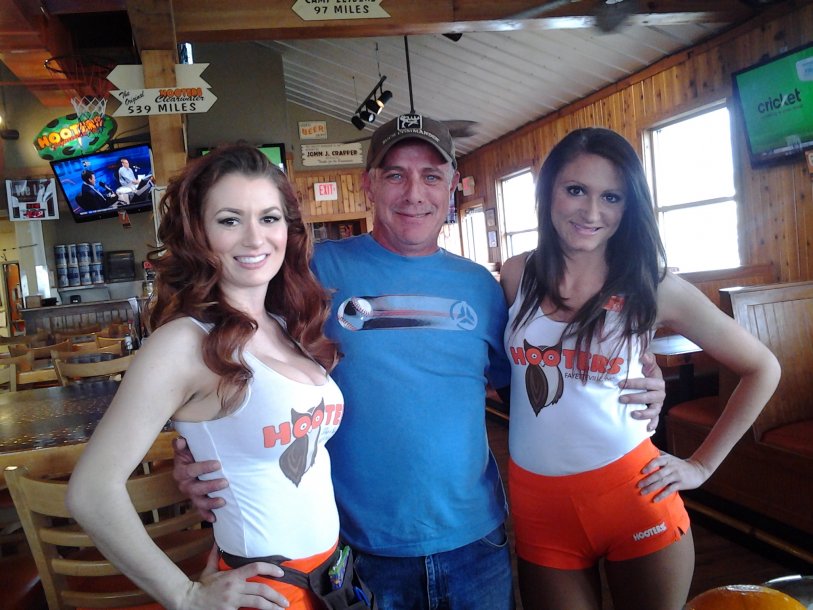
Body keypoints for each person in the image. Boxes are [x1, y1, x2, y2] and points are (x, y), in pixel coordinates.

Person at [174, 115, 668, 610]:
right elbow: (237, 351)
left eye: (431, 176)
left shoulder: (483, 287)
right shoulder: (309, 271)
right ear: (369, 184)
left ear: (452, 187)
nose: (414, 193)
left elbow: (535, 385)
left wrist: (633, 378)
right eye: (395, 175)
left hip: (477, 543)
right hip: (358, 546)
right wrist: (197, 446)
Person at [500, 127, 781, 610]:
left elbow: (762, 367)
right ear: (548, 191)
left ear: (629, 205)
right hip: (538, 506)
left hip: (633, 495)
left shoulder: (652, 284)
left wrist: (701, 465)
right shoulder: (515, 274)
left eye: (611, 197)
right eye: (575, 190)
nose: (591, 212)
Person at [67, 144, 347, 610]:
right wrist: (185, 595)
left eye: (269, 218)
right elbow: (91, 491)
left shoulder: (286, 324)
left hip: (330, 581)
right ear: (199, 234)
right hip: (267, 593)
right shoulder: (183, 342)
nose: (255, 238)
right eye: (230, 220)